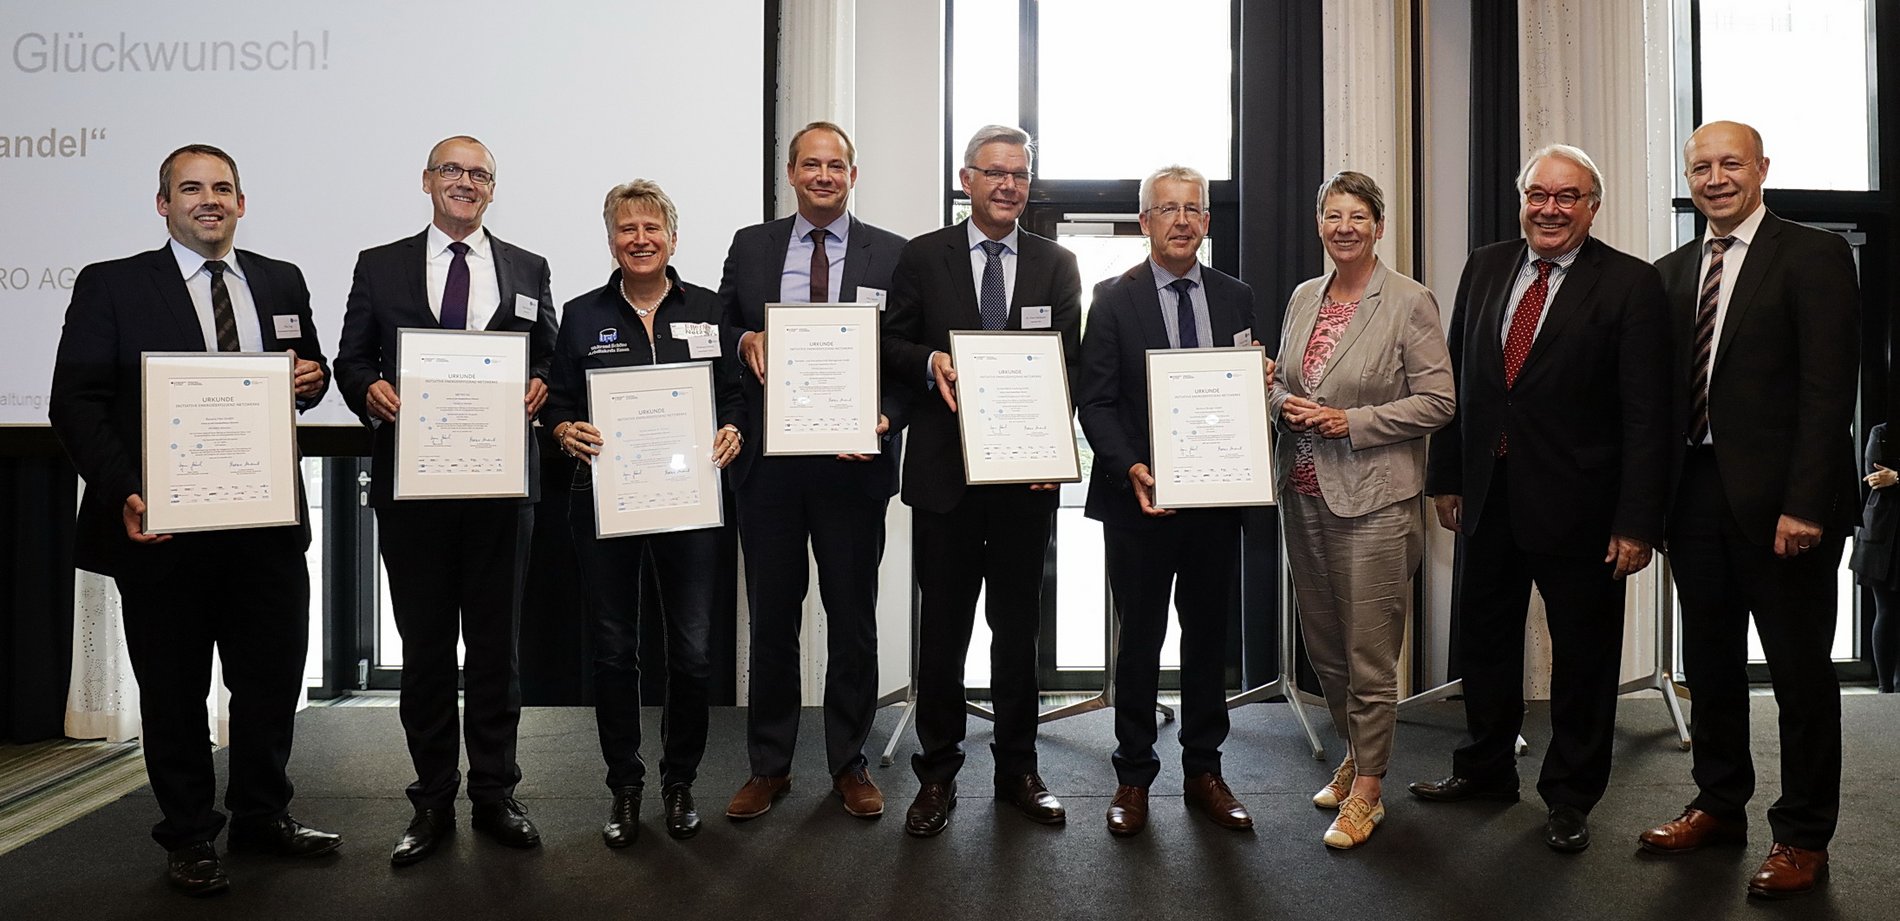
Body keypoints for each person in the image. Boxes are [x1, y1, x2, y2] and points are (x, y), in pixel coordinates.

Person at [48, 143, 337, 895]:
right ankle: (187, 835)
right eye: (190, 188)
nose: (208, 199)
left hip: (266, 526)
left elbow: (303, 374)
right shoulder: (111, 286)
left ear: (241, 203)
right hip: (162, 527)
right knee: (174, 690)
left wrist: (312, 378)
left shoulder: (279, 279)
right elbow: (73, 403)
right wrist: (126, 489)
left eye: (222, 188)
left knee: (270, 681)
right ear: (163, 204)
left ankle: (263, 814)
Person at [1414, 144, 1671, 854]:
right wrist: (1447, 475)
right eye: (1538, 195)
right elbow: (1460, 380)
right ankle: (1487, 768)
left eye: (1567, 197)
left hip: (1584, 510)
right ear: (1520, 197)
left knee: (1584, 659)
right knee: (1485, 642)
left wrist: (1637, 519)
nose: (1549, 209)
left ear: (1593, 205)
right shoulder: (1487, 265)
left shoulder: (1630, 283)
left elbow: (1649, 415)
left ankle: (1570, 796)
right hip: (1488, 497)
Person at [1640, 120, 1859, 900]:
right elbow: (1659, 407)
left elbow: (1828, 389)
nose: (1716, 176)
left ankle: (1802, 833)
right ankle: (1719, 802)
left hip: (1784, 511)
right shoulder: (1669, 274)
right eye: (1701, 165)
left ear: (1763, 168)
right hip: (1693, 501)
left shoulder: (1813, 254)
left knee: (1800, 676)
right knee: (1711, 666)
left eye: (1731, 162)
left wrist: (1805, 504)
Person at [334, 135, 557, 865]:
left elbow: (547, 354)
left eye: (480, 174)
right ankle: (431, 798)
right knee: (427, 648)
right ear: (427, 180)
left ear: (493, 189)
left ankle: (495, 792)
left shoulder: (528, 268)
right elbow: (351, 356)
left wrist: (542, 384)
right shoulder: (381, 264)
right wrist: (366, 389)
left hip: (501, 491)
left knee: (497, 649)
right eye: (453, 170)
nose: (466, 182)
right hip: (416, 488)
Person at [882, 124, 1083, 837]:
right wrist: (928, 361)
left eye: (1019, 174)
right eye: (994, 172)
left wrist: (1053, 450)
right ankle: (936, 776)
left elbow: (1067, 366)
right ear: (965, 179)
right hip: (945, 481)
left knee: (1017, 632)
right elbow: (891, 342)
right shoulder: (922, 256)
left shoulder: (1057, 264)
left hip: (1024, 481)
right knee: (942, 636)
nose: (1007, 185)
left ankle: (1018, 770)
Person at [715, 121, 909, 822]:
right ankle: (769, 766)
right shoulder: (752, 245)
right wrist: (744, 339)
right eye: (811, 165)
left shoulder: (893, 254)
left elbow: (905, 355)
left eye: (837, 165)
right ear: (791, 174)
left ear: (853, 175)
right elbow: (721, 323)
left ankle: (848, 762)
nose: (824, 175)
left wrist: (885, 414)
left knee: (852, 618)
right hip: (770, 466)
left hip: (854, 467)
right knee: (770, 618)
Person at [544, 179, 744, 847]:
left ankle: (679, 781)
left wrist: (734, 429)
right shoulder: (579, 315)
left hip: (692, 504)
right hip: (603, 501)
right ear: (611, 239)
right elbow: (558, 400)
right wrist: (564, 429)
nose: (640, 238)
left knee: (690, 652)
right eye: (627, 228)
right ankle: (624, 786)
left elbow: (738, 396)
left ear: (672, 238)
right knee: (613, 650)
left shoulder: (712, 311)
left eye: (651, 228)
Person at [1271, 170, 1455, 849]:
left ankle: (1371, 790)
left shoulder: (1408, 301)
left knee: (1370, 655)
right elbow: (1288, 382)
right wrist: (1274, 400)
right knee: (1326, 649)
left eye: (1357, 216)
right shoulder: (1302, 297)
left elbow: (1439, 402)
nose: (1344, 226)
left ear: (1379, 225)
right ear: (1319, 224)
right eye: (1332, 215)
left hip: (1375, 501)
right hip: (1305, 492)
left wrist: (1350, 421)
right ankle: (1354, 753)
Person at [1075, 165, 1259, 838]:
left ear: (1207, 221)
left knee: (1208, 639)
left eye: (1194, 208)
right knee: (1140, 642)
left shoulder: (1236, 297)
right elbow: (1093, 401)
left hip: (1215, 502)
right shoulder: (1112, 297)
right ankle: (1133, 773)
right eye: (1167, 209)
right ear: (1145, 221)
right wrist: (1133, 468)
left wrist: (1257, 381)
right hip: (1139, 503)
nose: (1182, 220)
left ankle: (1205, 770)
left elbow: (1241, 392)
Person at [1851, 422, 1900, 693]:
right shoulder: (1882, 432)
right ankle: (1885, 688)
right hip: (1882, 533)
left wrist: (1897, 476)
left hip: (1883, 530)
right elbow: (1875, 477)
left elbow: (1890, 479)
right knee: (1887, 610)